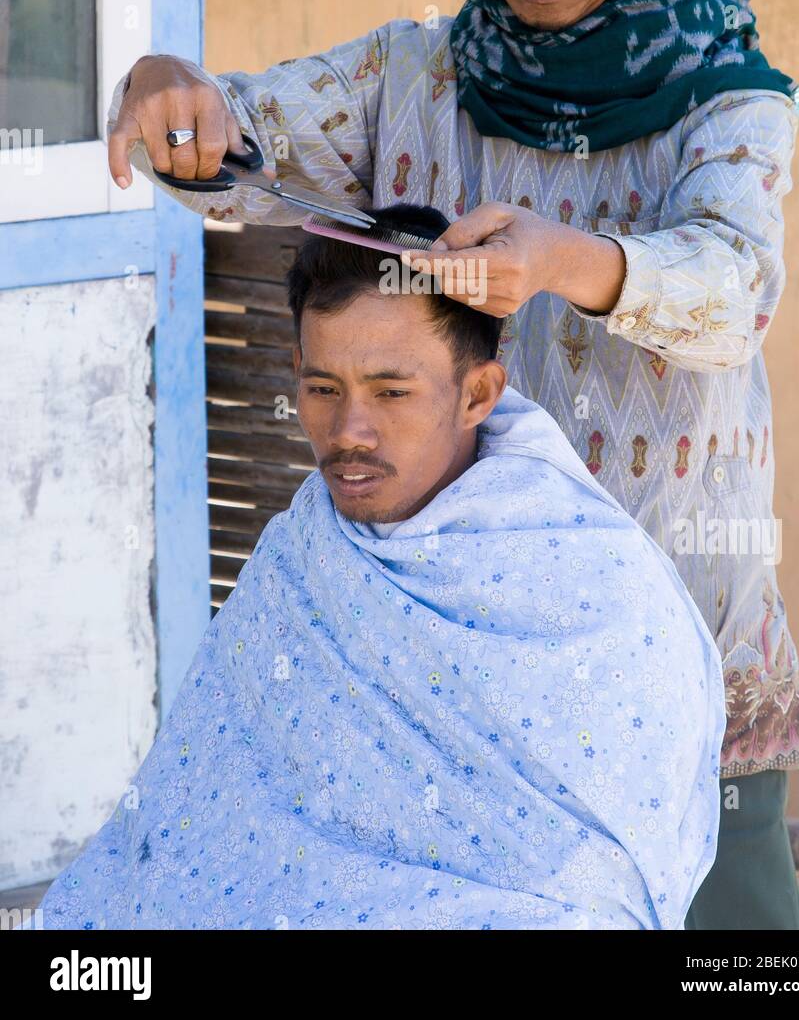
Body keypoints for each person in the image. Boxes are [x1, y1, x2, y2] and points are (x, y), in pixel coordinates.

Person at [106, 0, 799, 930]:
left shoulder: (725, 99)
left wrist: (563, 260)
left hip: (672, 649)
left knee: (733, 944)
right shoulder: (411, 76)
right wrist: (171, 85)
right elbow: (241, 145)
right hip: (460, 681)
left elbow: (732, 286)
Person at [32, 205, 724, 931]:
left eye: (392, 393)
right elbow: (184, 827)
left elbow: (601, 892)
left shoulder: (600, 588)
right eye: (323, 389)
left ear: (478, 395)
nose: (349, 433)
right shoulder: (301, 554)